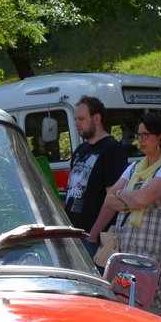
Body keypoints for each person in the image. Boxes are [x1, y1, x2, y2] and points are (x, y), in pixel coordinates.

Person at [87, 111, 161, 314]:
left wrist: (122, 194)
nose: (140, 140)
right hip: (125, 253)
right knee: (122, 313)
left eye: (145, 134)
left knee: (150, 313)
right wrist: (130, 200)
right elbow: (108, 200)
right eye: (138, 135)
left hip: (152, 256)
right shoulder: (133, 168)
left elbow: (142, 199)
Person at [64, 96, 128, 255]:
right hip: (73, 236)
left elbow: (113, 198)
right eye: (75, 119)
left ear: (97, 118)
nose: (76, 123)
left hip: (95, 240)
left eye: (81, 119)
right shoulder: (80, 150)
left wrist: (92, 236)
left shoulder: (112, 149)